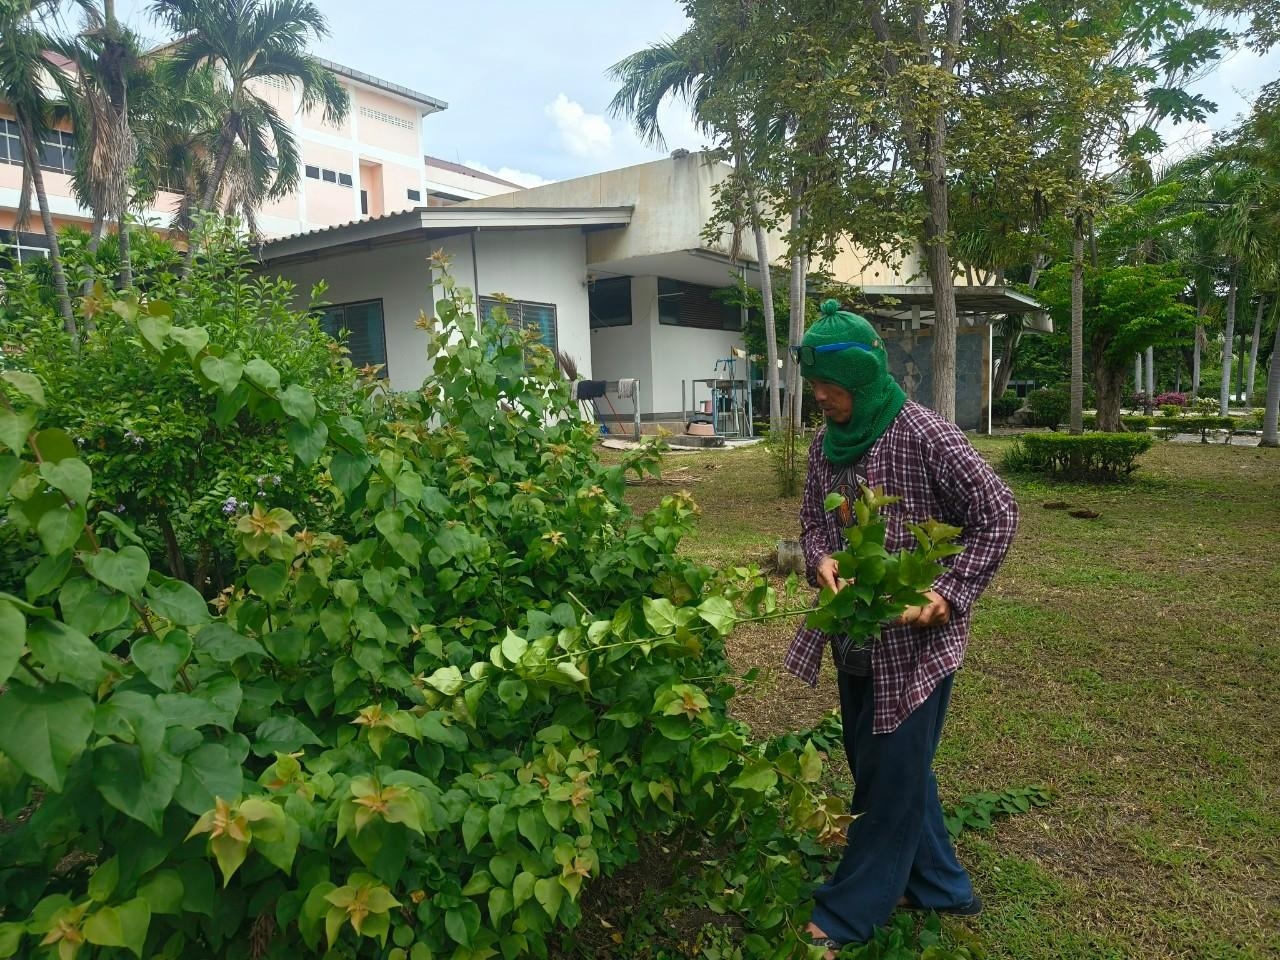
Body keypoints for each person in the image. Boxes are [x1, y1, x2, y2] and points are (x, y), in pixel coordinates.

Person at [784, 300, 1019, 955]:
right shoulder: (825, 446)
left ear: (862, 381)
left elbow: (999, 513)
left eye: (830, 385)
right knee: (883, 762)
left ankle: (848, 913)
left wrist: (948, 593)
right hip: (853, 636)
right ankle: (940, 885)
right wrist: (820, 559)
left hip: (916, 648)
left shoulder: (926, 435)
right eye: (814, 384)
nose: (820, 397)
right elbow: (812, 523)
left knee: (888, 776)